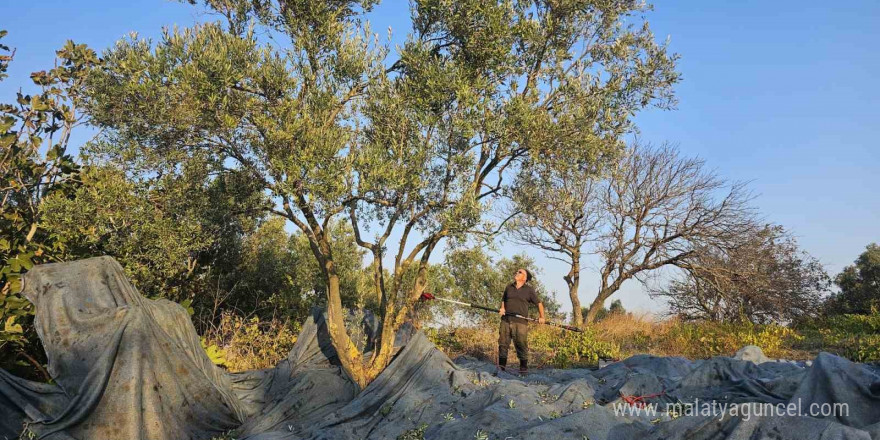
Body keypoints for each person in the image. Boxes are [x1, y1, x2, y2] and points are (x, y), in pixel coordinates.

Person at [497, 268, 545, 375]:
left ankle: (523, 368)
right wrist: (502, 308)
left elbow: (539, 303)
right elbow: (503, 300)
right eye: (517, 271)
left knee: (521, 345)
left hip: (520, 322)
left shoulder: (529, 290)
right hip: (505, 320)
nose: (517, 273)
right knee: (503, 344)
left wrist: (542, 317)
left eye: (520, 272)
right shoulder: (509, 287)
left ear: (525, 277)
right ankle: (501, 368)